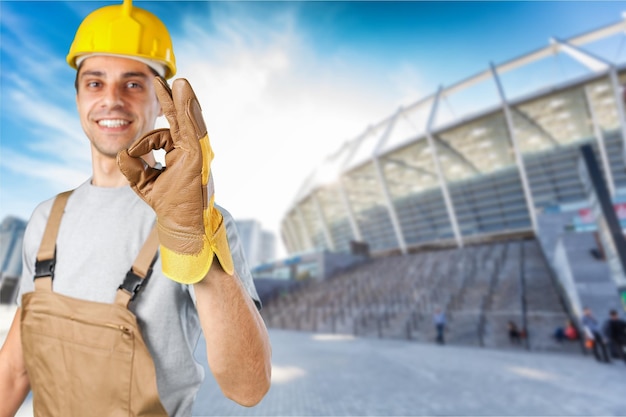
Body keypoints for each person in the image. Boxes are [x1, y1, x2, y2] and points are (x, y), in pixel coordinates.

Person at [0, 1, 271, 416]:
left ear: (162, 103)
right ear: (77, 98)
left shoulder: (204, 223)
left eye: (133, 84)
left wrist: (191, 235)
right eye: (94, 83)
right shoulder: (45, 219)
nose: (112, 100)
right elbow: (15, 372)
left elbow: (248, 387)